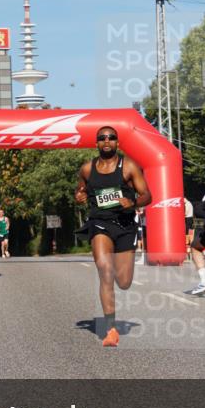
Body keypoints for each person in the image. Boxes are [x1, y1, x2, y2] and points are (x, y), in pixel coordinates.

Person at [74, 126, 151, 347]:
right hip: (100, 223)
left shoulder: (128, 166)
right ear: (96, 143)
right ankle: (110, 328)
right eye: (102, 138)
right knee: (105, 271)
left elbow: (148, 194)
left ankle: (113, 317)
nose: (106, 141)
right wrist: (78, 195)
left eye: (111, 138)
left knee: (124, 282)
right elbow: (80, 190)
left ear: (117, 142)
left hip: (125, 225)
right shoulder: (88, 169)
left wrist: (134, 202)